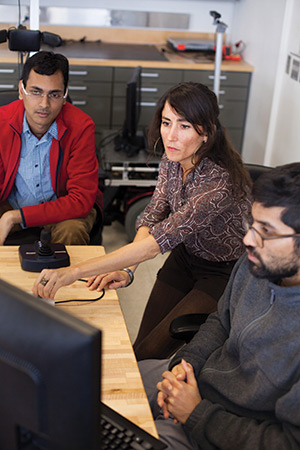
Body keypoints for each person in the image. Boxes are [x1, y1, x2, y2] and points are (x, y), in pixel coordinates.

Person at [32, 82, 252, 359]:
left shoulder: (218, 185)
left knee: (151, 351)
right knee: (140, 348)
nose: (170, 136)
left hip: (223, 271)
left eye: (184, 126)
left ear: (206, 132)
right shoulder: (172, 160)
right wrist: (128, 269)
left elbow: (155, 244)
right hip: (186, 258)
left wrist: (72, 272)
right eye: (166, 122)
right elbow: (152, 217)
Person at [138, 162, 300, 450]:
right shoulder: (255, 264)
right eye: (252, 223)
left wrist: (195, 414)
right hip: (199, 381)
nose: (248, 239)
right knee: (96, 381)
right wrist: (184, 365)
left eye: (266, 231)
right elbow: (220, 322)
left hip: (222, 431)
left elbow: (287, 442)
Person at [0, 51, 103, 245]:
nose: (44, 104)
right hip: (12, 204)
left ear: (65, 95)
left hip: (64, 209)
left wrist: (15, 217)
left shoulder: (81, 127)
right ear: (21, 90)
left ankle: (68, 276)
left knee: (72, 231)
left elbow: (80, 200)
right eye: (36, 92)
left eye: (54, 94)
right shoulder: (1, 122)